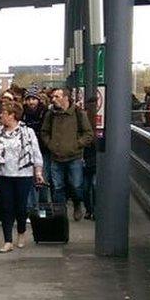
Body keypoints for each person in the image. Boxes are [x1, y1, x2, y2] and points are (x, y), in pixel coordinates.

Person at [0, 101, 44, 253]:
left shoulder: (27, 132)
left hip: (23, 174)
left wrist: (38, 172)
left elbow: (35, 152)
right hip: (4, 174)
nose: (0, 115)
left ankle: (21, 232)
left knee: (21, 207)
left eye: (3, 113)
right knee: (6, 207)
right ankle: (7, 240)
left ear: (12, 115)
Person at [41, 87, 95, 221]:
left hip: (74, 157)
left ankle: (77, 204)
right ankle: (60, 214)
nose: (53, 99)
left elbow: (88, 134)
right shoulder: (50, 114)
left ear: (66, 98)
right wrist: (50, 144)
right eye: (53, 97)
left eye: (57, 97)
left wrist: (76, 144)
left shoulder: (78, 113)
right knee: (57, 187)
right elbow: (44, 132)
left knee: (76, 185)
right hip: (56, 156)